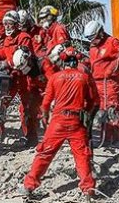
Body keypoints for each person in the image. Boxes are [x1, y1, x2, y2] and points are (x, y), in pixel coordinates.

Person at [23, 46, 99, 198]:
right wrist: (87, 114)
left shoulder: (55, 77)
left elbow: (45, 104)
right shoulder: (84, 77)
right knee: (82, 155)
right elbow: (94, 100)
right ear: (76, 61)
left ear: (63, 62)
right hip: (77, 121)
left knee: (44, 153)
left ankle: (29, 185)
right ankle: (88, 189)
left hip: (58, 121)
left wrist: (45, 119)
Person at [84, 20, 119, 145]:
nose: (93, 41)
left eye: (94, 38)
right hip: (96, 83)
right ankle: (105, 139)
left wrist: (111, 68)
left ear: (100, 33)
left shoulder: (112, 42)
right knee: (99, 112)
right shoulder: (93, 47)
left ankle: (118, 139)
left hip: (109, 83)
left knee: (112, 110)